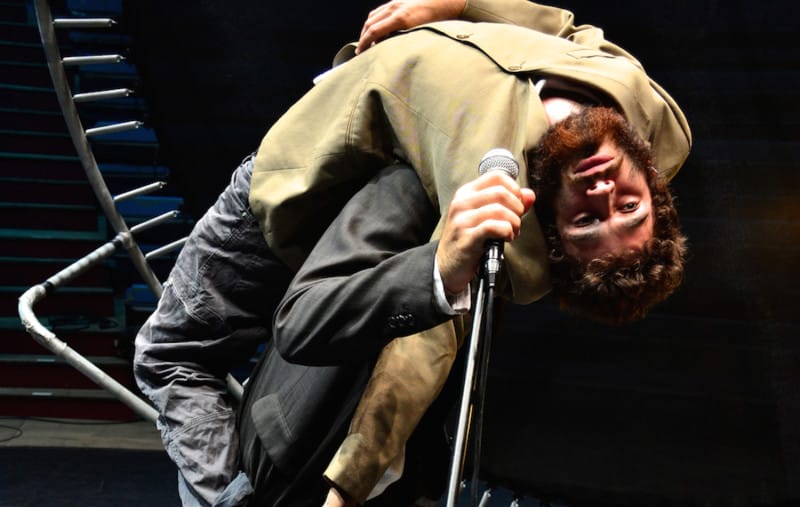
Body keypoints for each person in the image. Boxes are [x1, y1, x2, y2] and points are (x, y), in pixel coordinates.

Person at [133, 0, 691, 505]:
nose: (602, 194)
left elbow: (423, 348)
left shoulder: (495, 201)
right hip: (350, 131)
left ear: (553, 230)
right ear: (656, 191)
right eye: (630, 207)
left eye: (588, 222)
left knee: (170, 353)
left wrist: (349, 483)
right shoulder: (642, 108)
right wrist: (463, 4)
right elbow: (570, 28)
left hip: (298, 181)